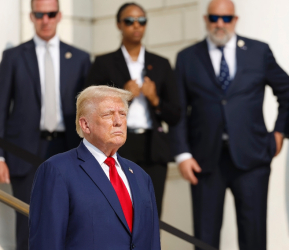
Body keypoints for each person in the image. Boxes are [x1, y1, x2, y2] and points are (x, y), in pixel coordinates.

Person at [170, 0, 289, 249]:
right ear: (206, 19)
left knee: (253, 236)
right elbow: (178, 111)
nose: (220, 24)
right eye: (214, 18)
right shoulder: (187, 57)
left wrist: (280, 132)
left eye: (226, 18)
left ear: (235, 20)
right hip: (204, 161)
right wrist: (183, 154)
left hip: (252, 159)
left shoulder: (258, 51)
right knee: (205, 238)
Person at [0, 0, 91, 249]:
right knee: (28, 222)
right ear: (31, 16)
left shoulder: (81, 58)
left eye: (50, 14)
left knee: (71, 221)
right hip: (24, 152)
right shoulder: (13, 57)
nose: (45, 20)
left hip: (69, 149)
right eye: (40, 14)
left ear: (59, 15)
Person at [29, 86, 160, 250]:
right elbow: (46, 244)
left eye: (123, 114)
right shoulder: (57, 171)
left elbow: (152, 242)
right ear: (85, 125)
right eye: (108, 114)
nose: (118, 121)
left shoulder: (141, 176)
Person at [85, 2, 180, 217]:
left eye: (141, 21)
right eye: (129, 21)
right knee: (116, 213)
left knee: (151, 214)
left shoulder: (161, 64)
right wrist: (121, 95)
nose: (136, 25)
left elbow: (175, 114)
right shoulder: (104, 63)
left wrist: (155, 99)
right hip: (116, 147)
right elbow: (89, 107)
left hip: (153, 148)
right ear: (119, 25)